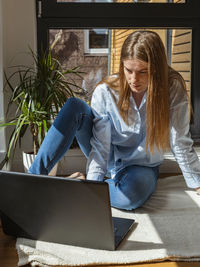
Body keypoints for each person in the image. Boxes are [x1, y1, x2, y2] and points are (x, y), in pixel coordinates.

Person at [29, 30, 200, 210]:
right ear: (122, 66)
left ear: (157, 69)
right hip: (108, 154)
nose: (134, 79)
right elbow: (101, 146)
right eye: (129, 70)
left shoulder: (172, 89)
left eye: (143, 72)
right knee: (74, 106)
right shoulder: (106, 91)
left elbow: (178, 140)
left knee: (129, 199)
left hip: (141, 165)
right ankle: (32, 182)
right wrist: (95, 180)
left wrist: (197, 182)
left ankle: (73, 187)